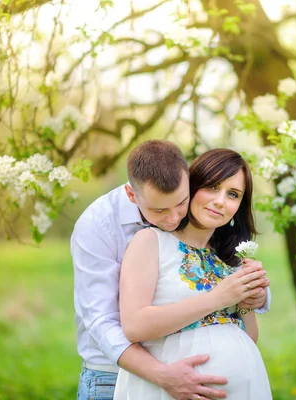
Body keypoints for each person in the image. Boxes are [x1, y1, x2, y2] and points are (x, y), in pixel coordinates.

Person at [72, 140, 271, 400]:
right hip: (116, 372)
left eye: (233, 194)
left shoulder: (226, 253)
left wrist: (251, 297)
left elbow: (246, 332)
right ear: (134, 197)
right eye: (160, 210)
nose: (174, 218)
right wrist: (160, 374)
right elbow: (108, 321)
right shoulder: (107, 228)